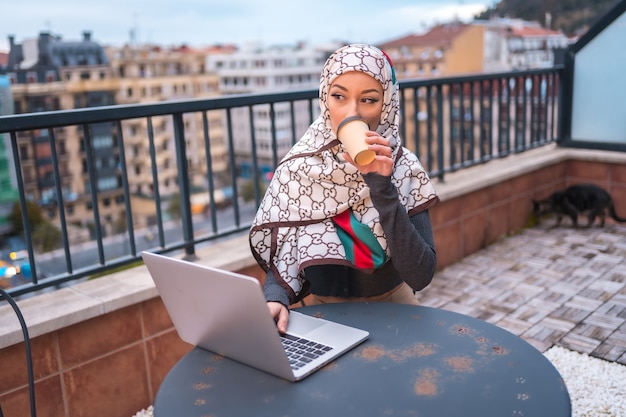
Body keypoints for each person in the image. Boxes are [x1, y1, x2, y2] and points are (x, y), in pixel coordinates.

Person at [249, 44, 439, 333]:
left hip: (394, 312)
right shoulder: (299, 168)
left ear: (386, 105)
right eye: (339, 96)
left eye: (369, 100)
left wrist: (381, 185)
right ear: (325, 99)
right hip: (319, 314)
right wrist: (275, 297)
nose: (353, 112)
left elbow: (421, 274)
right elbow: (286, 251)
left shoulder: (403, 166)